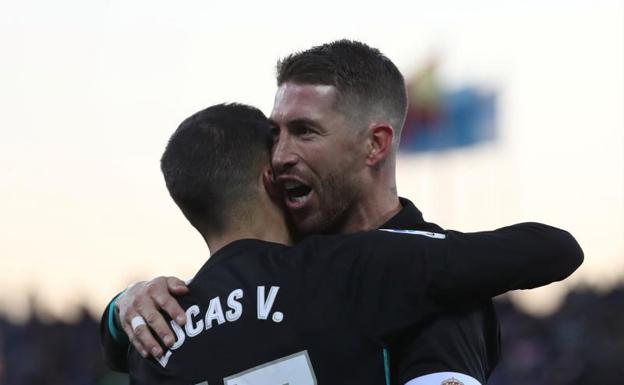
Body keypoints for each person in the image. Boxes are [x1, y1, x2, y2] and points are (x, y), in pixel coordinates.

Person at [101, 40, 579, 385]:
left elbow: (556, 249)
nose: (280, 154)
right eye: (276, 134)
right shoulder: (300, 265)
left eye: (304, 132)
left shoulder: (439, 291)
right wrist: (125, 304)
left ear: (375, 144)